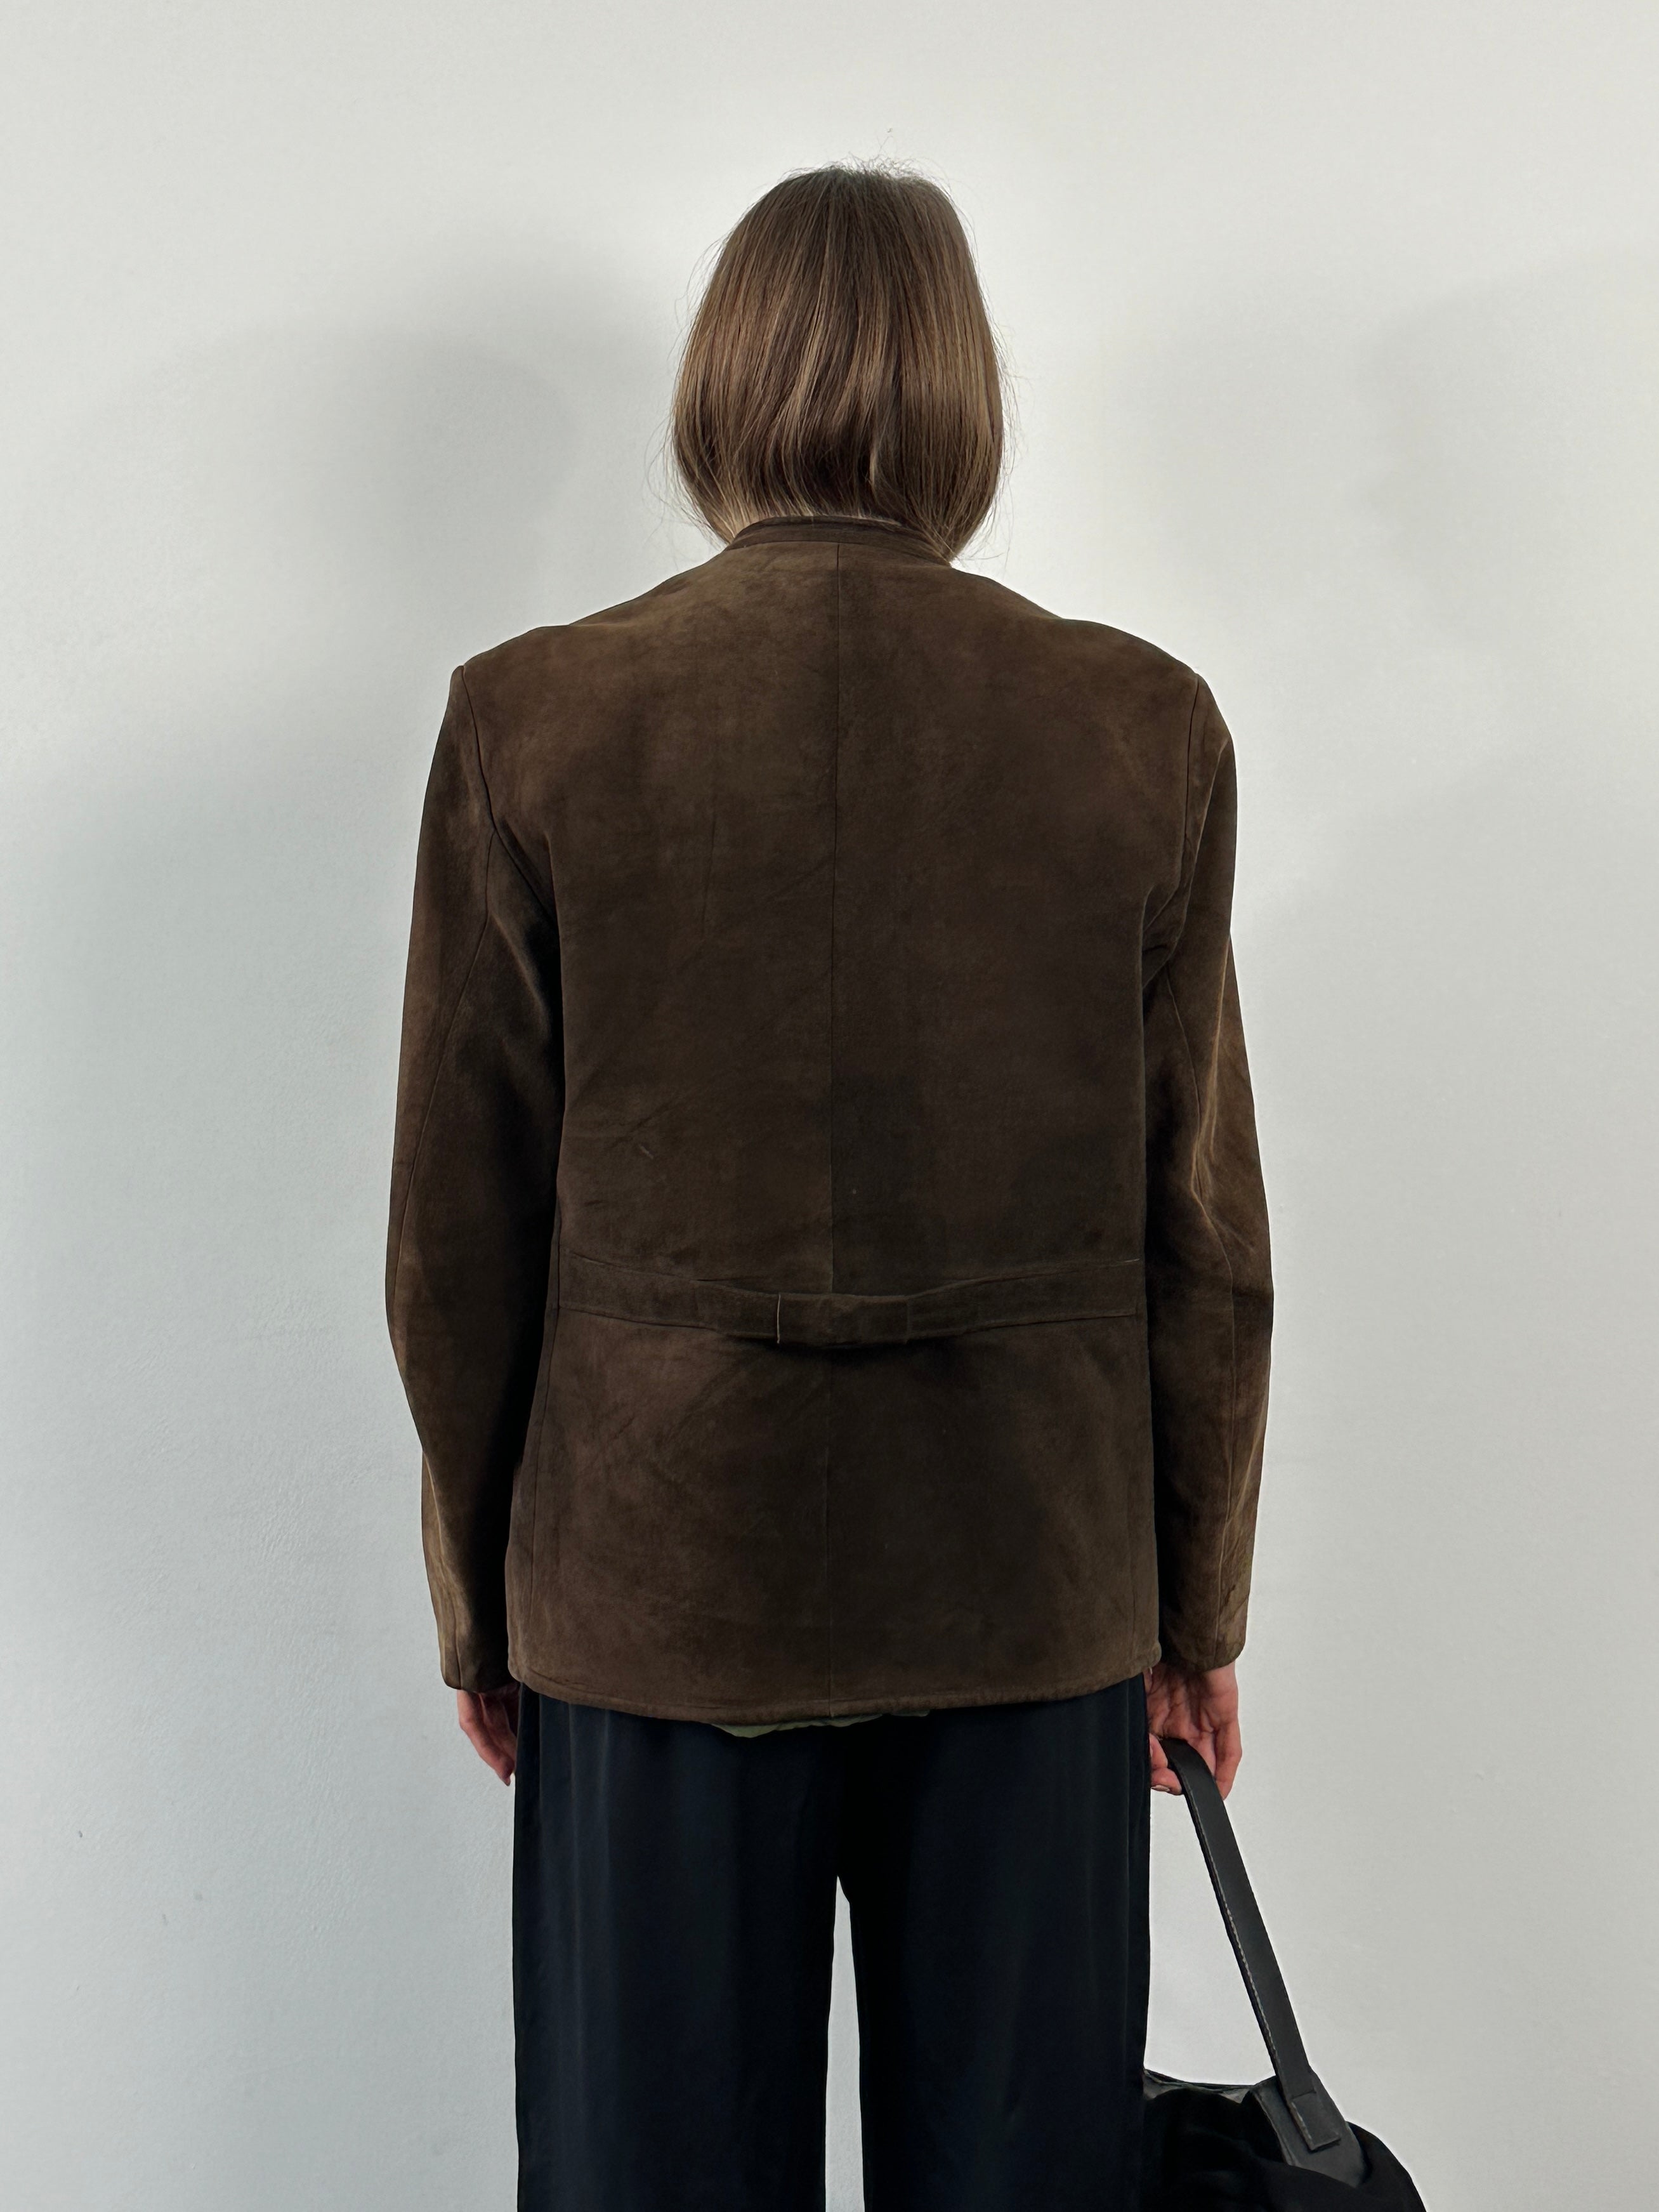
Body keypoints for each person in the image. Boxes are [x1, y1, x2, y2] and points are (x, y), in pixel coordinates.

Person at [385, 159, 1271, 2212]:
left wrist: (488, 1610)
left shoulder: (534, 718)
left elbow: (458, 1233)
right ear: (965, 394)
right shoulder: (1141, 726)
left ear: (722, 383)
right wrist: (1194, 1605)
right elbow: (1203, 1232)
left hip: (657, 1600)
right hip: (1031, 1589)